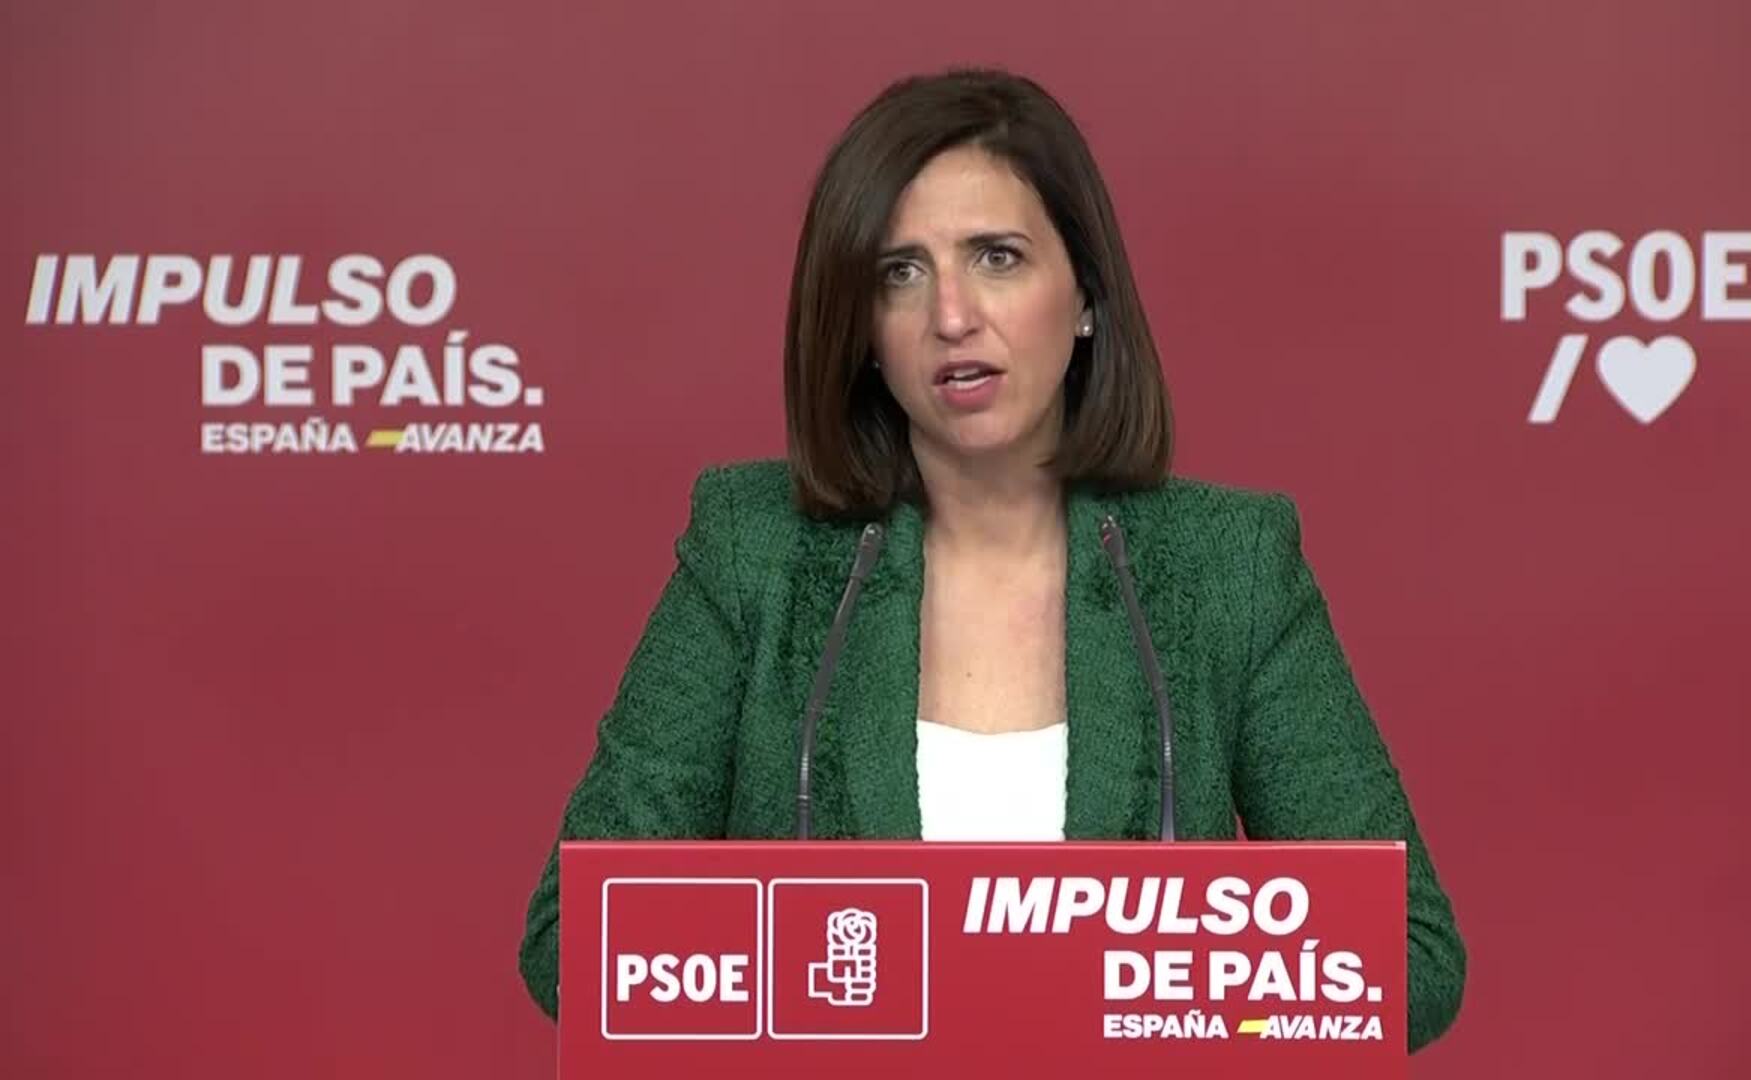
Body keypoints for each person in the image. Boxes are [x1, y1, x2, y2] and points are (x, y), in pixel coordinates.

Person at [518, 67, 1466, 1051]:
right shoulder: (754, 548)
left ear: (1086, 293)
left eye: (998, 258)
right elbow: (576, 941)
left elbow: (1409, 956)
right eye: (899, 273)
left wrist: (1150, 1002)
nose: (952, 315)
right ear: (862, 331)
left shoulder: (1226, 563)